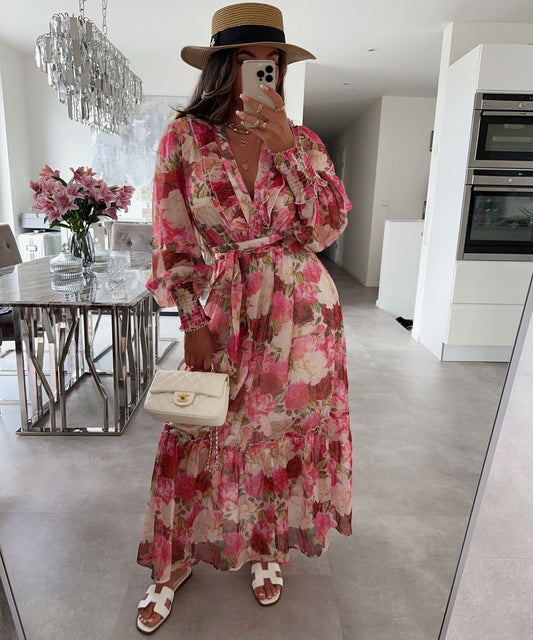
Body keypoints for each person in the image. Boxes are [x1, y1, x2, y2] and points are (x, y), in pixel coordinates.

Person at [136, 2, 353, 633]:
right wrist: (191, 321)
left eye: (273, 60)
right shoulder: (184, 140)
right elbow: (173, 239)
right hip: (225, 303)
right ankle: (173, 562)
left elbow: (327, 228)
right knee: (197, 431)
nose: (265, 70)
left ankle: (266, 548)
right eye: (249, 60)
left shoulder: (302, 141)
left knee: (277, 434)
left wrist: (290, 152)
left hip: (302, 314)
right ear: (223, 66)